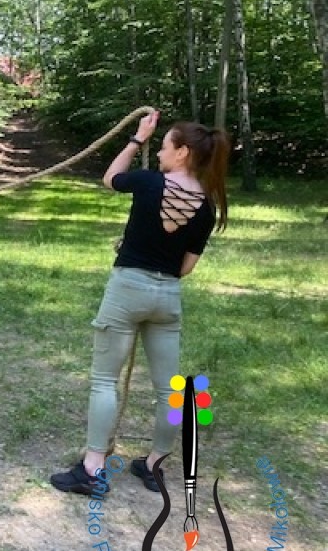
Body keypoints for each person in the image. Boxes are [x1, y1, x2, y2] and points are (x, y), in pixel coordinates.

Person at [50, 112, 230, 495]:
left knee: (104, 381)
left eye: (164, 146)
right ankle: (154, 465)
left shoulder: (149, 182)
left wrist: (137, 139)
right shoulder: (206, 207)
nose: (159, 153)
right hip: (167, 298)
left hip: (127, 289)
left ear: (182, 152)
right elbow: (186, 268)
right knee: (169, 390)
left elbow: (111, 178)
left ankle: (92, 468)